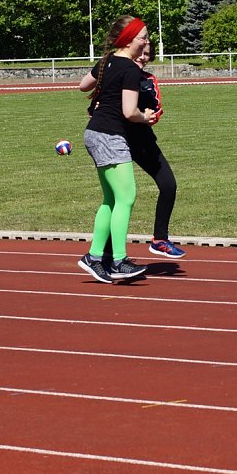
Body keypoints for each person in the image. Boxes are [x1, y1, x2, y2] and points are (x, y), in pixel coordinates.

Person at [80, 40, 185, 259]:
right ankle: (107, 254)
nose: (143, 57)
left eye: (147, 54)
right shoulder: (115, 75)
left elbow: (154, 110)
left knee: (168, 185)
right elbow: (96, 107)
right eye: (140, 52)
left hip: (142, 142)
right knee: (118, 198)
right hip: (116, 141)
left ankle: (159, 239)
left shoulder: (148, 81)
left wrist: (151, 117)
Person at [76, 16, 157, 283]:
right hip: (110, 136)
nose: (146, 42)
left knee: (111, 200)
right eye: (142, 37)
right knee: (126, 197)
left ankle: (95, 257)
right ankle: (119, 260)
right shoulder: (131, 69)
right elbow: (128, 111)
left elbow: (83, 85)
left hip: (96, 133)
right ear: (129, 39)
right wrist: (145, 117)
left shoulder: (107, 61)